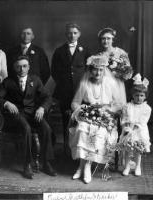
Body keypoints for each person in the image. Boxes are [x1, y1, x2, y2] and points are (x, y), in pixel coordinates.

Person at [0, 56, 57, 179]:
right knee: (26, 128)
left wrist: (42, 108)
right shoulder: (8, 81)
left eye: (24, 66)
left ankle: (46, 162)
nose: (21, 69)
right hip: (16, 114)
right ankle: (26, 164)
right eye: (18, 66)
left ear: (29, 67)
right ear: (14, 68)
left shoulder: (35, 80)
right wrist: (7, 103)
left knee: (46, 128)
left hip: (32, 113)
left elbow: (47, 97)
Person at [69, 55, 121, 184]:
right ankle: (83, 166)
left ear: (105, 71)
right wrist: (83, 110)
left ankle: (85, 167)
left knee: (97, 131)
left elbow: (118, 105)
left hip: (105, 118)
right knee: (82, 128)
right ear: (90, 70)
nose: (98, 73)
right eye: (95, 69)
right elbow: (75, 103)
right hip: (88, 115)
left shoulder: (111, 84)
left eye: (101, 70)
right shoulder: (85, 83)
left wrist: (107, 111)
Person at [51, 23, 90, 151]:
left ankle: (80, 150)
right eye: (69, 33)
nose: (72, 35)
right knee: (66, 120)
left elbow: (89, 71)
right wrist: (63, 84)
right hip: (65, 92)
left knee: (82, 121)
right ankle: (67, 150)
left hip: (81, 91)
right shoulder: (59, 51)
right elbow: (54, 71)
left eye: (74, 33)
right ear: (66, 34)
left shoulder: (85, 50)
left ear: (79, 34)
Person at [120, 73, 151, 176]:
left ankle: (138, 166)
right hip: (128, 130)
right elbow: (124, 118)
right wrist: (126, 127)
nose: (139, 98)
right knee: (129, 149)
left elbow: (142, 121)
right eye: (136, 95)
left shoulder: (146, 108)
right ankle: (127, 166)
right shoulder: (127, 106)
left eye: (141, 95)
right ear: (132, 95)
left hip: (139, 131)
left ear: (145, 96)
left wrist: (134, 129)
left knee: (138, 149)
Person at [97, 27, 131, 105]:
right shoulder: (98, 56)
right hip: (104, 86)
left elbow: (128, 72)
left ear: (113, 40)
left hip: (118, 84)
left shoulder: (120, 52)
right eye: (103, 39)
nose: (106, 41)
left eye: (108, 38)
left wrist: (121, 73)